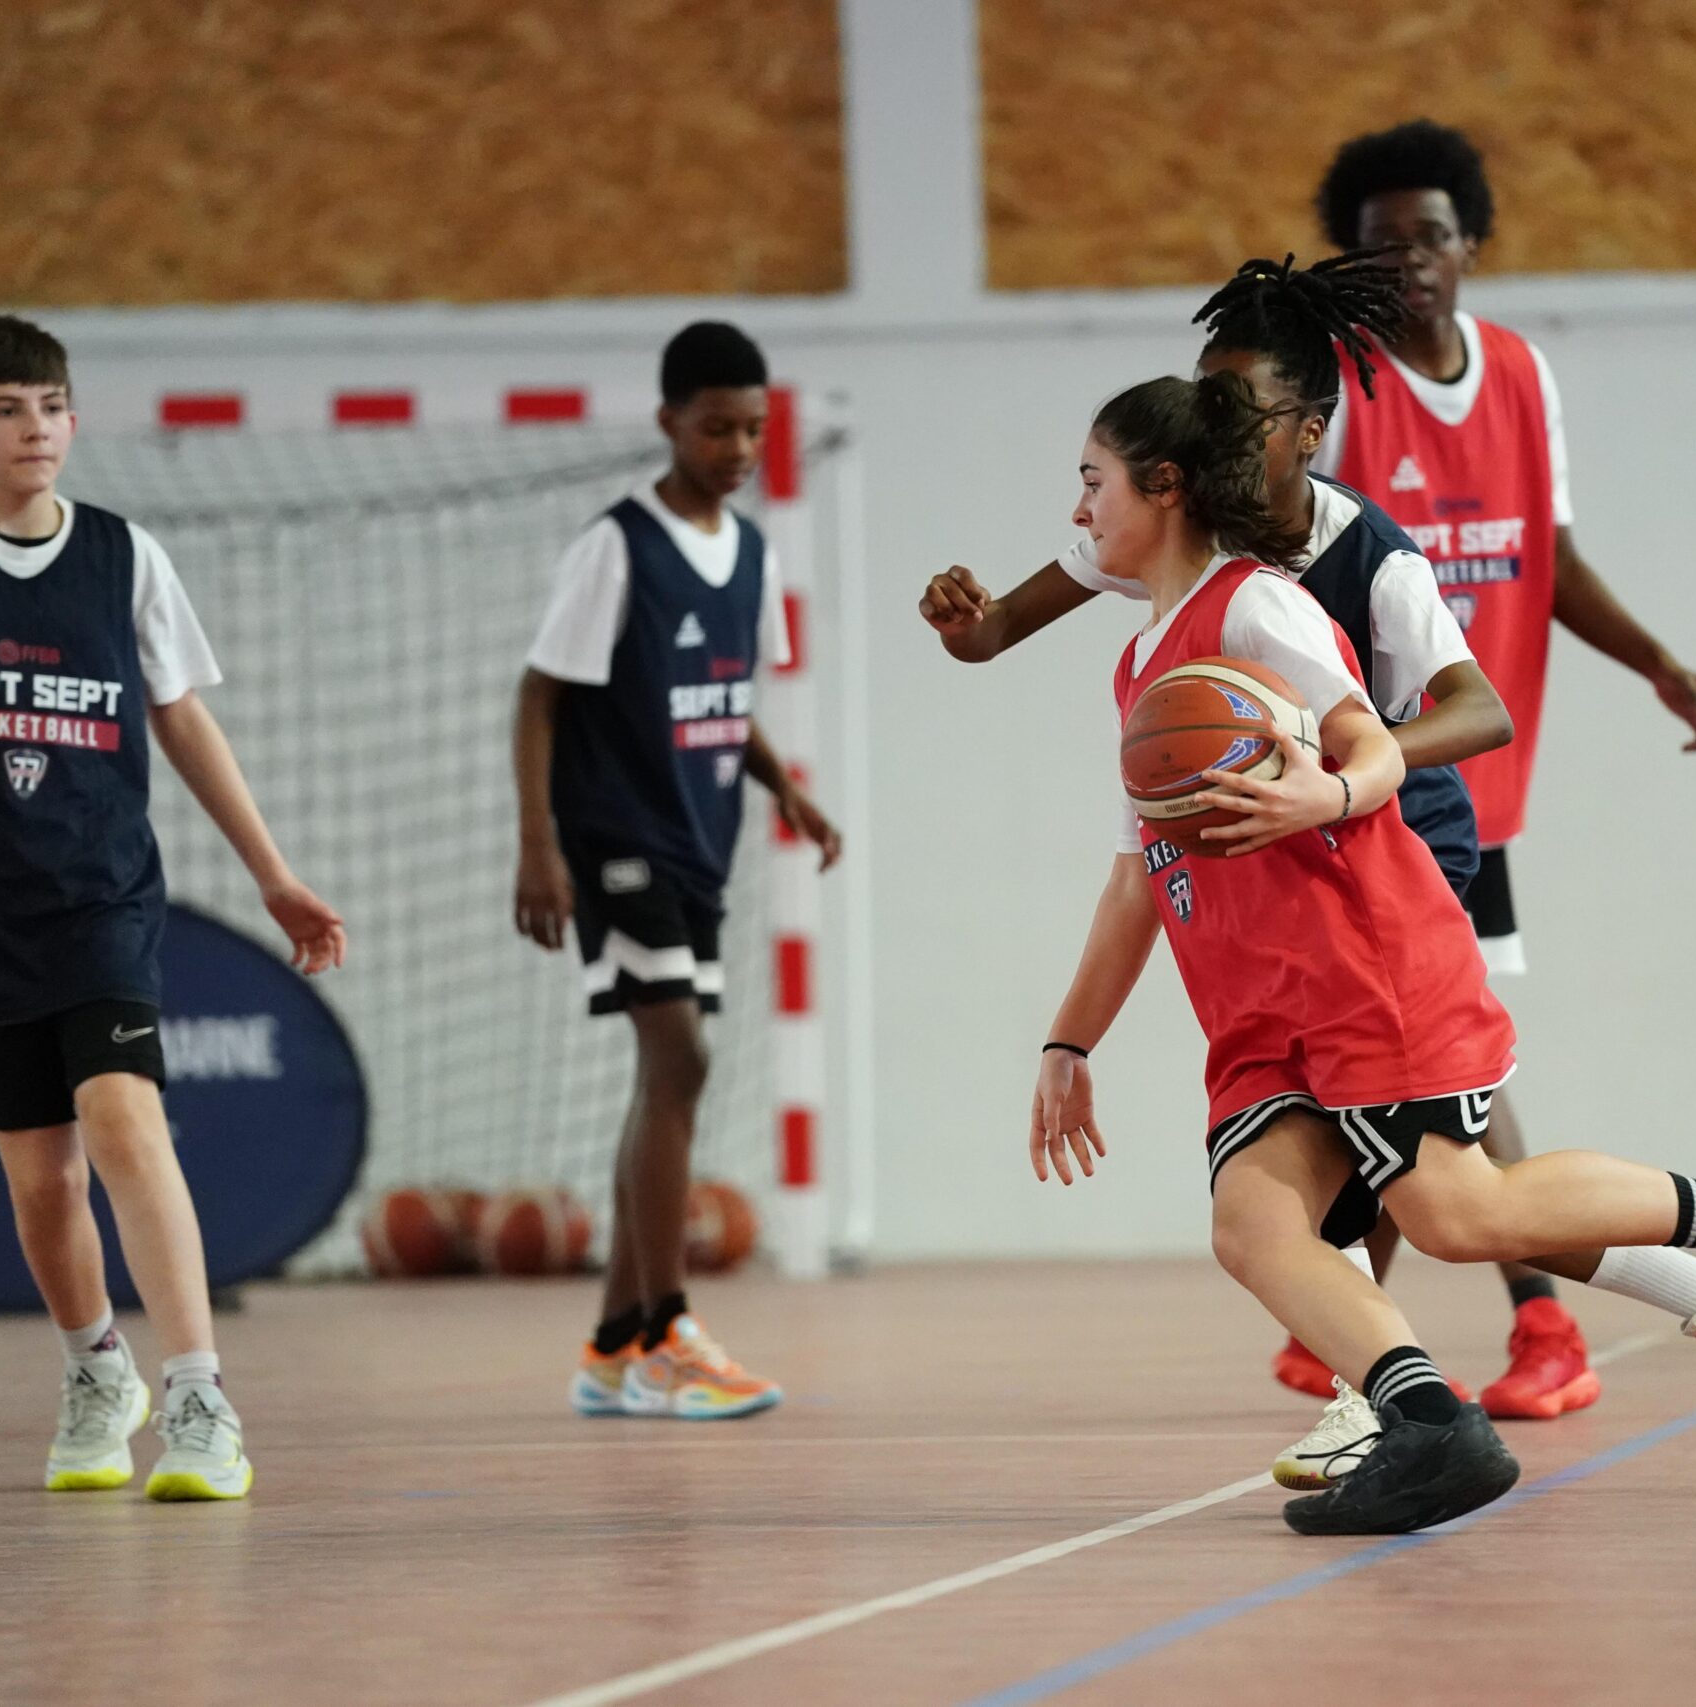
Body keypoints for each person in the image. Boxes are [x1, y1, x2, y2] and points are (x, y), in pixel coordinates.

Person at [1030, 368, 1696, 1533]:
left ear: (1164, 487)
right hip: (1257, 1000)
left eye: (1091, 481)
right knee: (1255, 1223)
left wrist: (1326, 792)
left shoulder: (1256, 610)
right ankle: (1429, 1423)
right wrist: (1068, 1041)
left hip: (1361, 963)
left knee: (1453, 1213)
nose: (1078, 510)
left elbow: (1371, 744)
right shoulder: (1140, 669)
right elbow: (1136, 877)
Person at [921, 252, 1611, 1435]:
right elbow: (999, 636)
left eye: (1235, 407)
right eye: (1203, 398)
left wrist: (1326, 772)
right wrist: (966, 626)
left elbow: (1479, 711)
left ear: (1307, 429)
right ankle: (1404, 1363)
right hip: (1284, 845)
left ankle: (1455, 1350)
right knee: (1397, 1164)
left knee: (1409, 1146)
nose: (1210, 423)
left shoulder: (1362, 555)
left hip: (1396, 834)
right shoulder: (1171, 538)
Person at [0, 314, 347, 1499]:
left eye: (52, 406)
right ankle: (95, 1370)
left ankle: (200, 1398)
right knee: (41, 1176)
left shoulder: (124, 555)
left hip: (97, 895)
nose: (36, 428)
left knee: (123, 1118)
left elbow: (181, 716)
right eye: (6, 409)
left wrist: (273, 873)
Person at [1307, 116, 1696, 1364]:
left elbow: (1547, 561)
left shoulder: (1519, 374)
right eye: (1380, 244)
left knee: (1435, 1061)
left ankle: (1491, 1320)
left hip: (1464, 783)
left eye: (1430, 236)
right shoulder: (1334, 391)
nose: (1408, 260)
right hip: (1363, 782)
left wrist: (1655, 662)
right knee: (1412, 1059)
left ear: (1471, 244)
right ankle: (1399, 1311)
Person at [512, 322, 841, 1417]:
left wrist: (785, 787)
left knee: (669, 1077)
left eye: (751, 429)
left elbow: (723, 704)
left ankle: (614, 1345)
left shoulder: (751, 553)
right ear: (668, 422)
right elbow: (539, 697)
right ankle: (665, 1330)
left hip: (702, 843)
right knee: (680, 1059)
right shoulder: (615, 547)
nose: (737, 448)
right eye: (715, 428)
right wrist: (537, 846)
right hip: (617, 838)